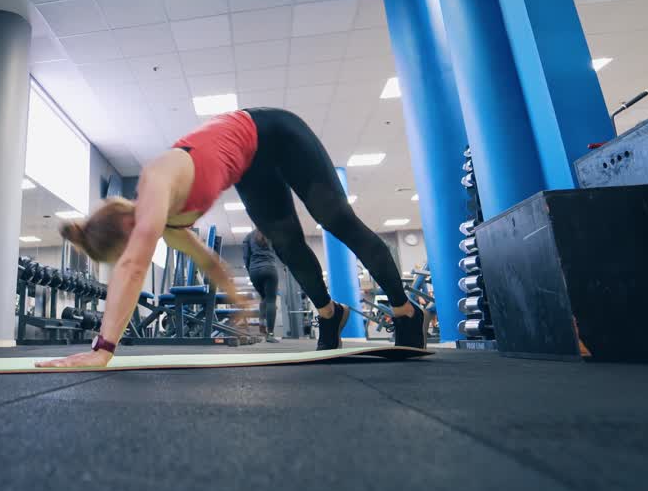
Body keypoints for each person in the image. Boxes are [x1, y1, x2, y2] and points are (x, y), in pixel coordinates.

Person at [37, 107, 427, 369]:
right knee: (287, 245)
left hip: (274, 132)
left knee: (336, 220)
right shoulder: (171, 228)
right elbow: (209, 261)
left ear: (125, 228)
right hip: (250, 168)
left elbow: (134, 264)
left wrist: (102, 350)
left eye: (126, 247)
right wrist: (238, 298)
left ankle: (405, 311)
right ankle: (330, 314)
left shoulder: (156, 181)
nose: (139, 246)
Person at [242, 229, 282, 343]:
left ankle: (262, 325)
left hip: (254, 270)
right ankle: (270, 334)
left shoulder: (248, 236)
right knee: (270, 301)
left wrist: (251, 272)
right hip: (270, 268)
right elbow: (281, 252)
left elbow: (246, 257)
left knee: (264, 298)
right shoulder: (272, 234)